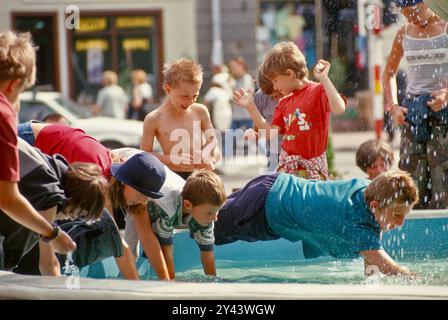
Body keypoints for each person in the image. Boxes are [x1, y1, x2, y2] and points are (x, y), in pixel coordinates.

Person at [16, 122, 167, 279]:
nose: (143, 201)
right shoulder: (96, 177)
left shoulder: (106, 176)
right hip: (27, 140)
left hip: (38, 148)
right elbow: (118, 244)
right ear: (126, 182)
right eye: (142, 195)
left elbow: (123, 242)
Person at [214, 170, 419, 277]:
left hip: (273, 183)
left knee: (209, 207)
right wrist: (420, 281)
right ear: (374, 206)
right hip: (263, 209)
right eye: (396, 216)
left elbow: (372, 262)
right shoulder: (356, 224)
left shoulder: (368, 190)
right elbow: (387, 266)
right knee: (204, 226)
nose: (400, 223)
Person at [0, 30, 76, 262]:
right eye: (22, 91)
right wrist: (52, 234)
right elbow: (8, 199)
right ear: (13, 85)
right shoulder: (3, 113)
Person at [234, 41, 346, 180]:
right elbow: (270, 134)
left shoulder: (318, 91)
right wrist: (251, 107)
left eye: (275, 80)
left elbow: (339, 108)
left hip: (312, 174)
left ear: (289, 74)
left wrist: (324, 79)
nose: (274, 87)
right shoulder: (284, 102)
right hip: (288, 173)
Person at [2, 139, 107, 275]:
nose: (68, 219)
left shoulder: (47, 166)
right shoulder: (49, 194)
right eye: (76, 214)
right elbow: (48, 264)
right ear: (72, 200)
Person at [382, 0, 448, 209]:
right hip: (414, 113)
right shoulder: (404, 33)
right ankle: (414, 231)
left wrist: (446, 95)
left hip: (442, 113)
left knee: (442, 178)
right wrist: (393, 105)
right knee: (411, 179)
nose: (412, 19)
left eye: (415, 13)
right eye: (406, 15)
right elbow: (389, 73)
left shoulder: (446, 28)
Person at [126, 170, 226, 280]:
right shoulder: (167, 209)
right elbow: (166, 252)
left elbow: (207, 254)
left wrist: (213, 282)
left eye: (217, 211)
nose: (215, 218)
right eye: (210, 213)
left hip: (165, 188)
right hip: (137, 186)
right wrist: (172, 283)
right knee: (131, 251)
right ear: (188, 205)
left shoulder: (204, 209)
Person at [140, 58, 221, 180]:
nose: (190, 101)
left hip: (202, 175)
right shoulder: (154, 118)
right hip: (173, 176)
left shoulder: (200, 111)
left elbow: (212, 139)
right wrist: (170, 159)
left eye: (195, 96)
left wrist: (208, 155)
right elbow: (145, 155)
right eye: (184, 96)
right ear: (168, 89)